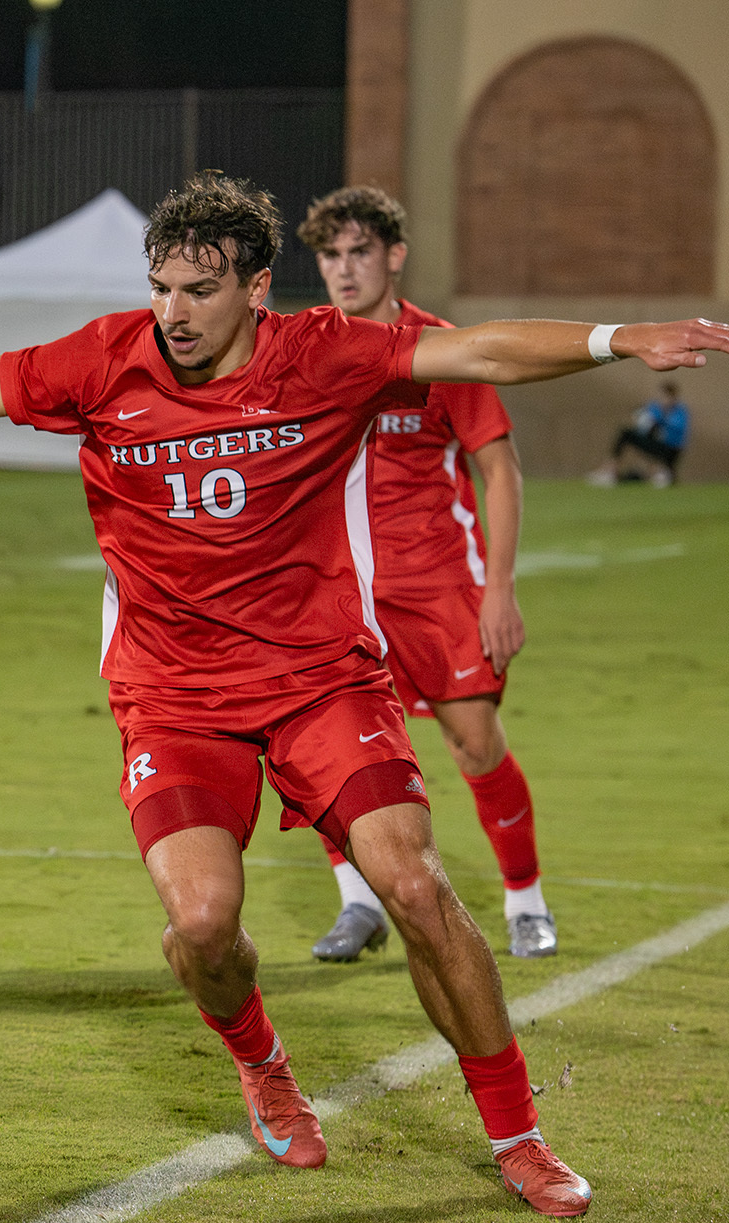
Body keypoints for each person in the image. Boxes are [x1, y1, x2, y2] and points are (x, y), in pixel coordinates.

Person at [0, 170, 727, 1218]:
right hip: (174, 699)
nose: (173, 313)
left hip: (322, 681)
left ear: (257, 288)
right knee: (202, 923)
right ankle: (264, 1063)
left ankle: (520, 1136)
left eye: (199, 291)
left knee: (414, 885)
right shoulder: (104, 360)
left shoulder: (323, 353)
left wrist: (618, 339)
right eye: (161, 289)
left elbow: (484, 351)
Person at [297, 186, 556, 962]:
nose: (345, 269)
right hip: (338, 588)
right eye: (331, 255)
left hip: (437, 583)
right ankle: (358, 903)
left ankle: (526, 902)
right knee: (327, 750)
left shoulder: (443, 350)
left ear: (395, 256)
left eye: (360, 252)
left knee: (475, 743)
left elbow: (500, 471)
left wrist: (499, 590)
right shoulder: (306, 350)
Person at [591, 382, 689, 487]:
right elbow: (643, 416)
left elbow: (676, 432)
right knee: (626, 434)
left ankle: (662, 472)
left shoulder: (680, 412)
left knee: (667, 474)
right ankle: (610, 471)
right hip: (655, 444)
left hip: (670, 449)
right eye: (661, 396)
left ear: (673, 397)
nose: (662, 399)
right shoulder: (655, 407)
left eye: (665, 396)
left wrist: (659, 422)